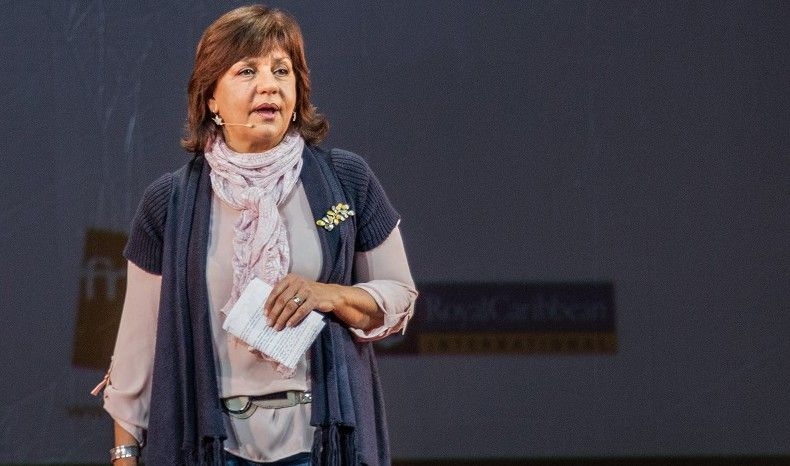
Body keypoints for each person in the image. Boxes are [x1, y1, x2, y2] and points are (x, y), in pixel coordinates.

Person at [92, 5, 417, 465]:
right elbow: (137, 349)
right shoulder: (169, 202)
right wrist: (125, 454)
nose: (269, 85)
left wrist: (330, 295)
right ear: (211, 98)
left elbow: (399, 296)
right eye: (247, 71)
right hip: (211, 446)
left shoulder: (346, 180)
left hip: (322, 442)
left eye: (281, 71)